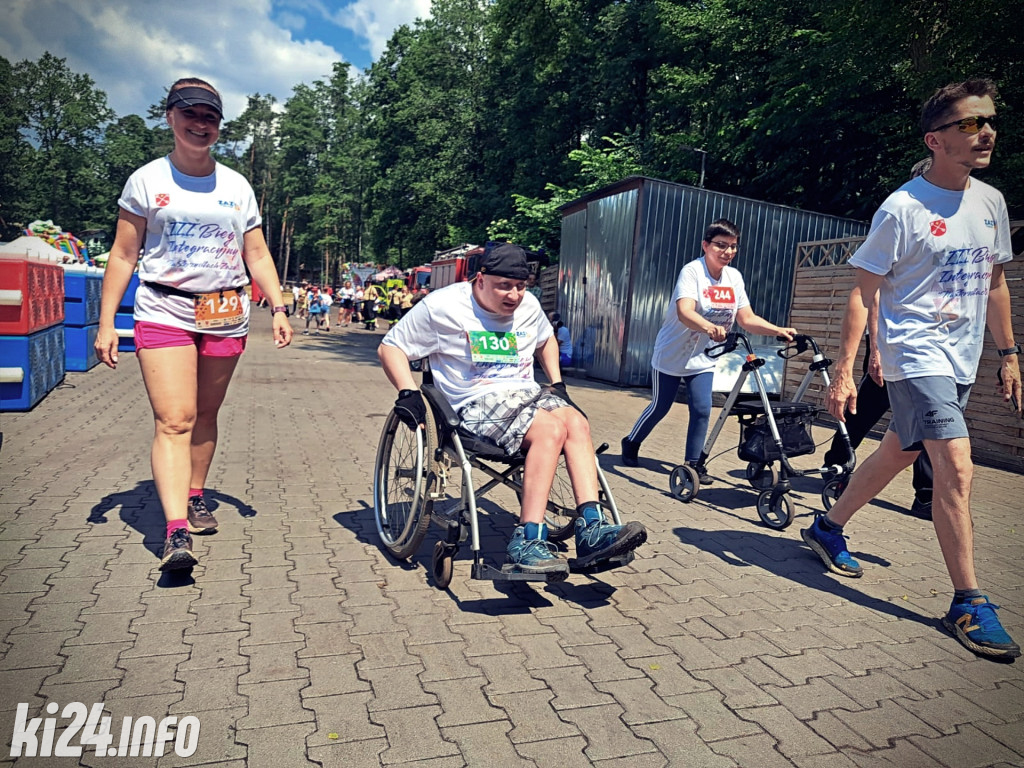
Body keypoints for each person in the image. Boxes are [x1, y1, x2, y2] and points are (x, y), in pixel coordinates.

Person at [802, 78, 1021, 659]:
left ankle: (828, 526)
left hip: (963, 355)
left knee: (898, 451)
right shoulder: (903, 209)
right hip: (914, 351)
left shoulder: (991, 202)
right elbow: (861, 291)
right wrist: (846, 369)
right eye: (970, 124)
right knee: (955, 462)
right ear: (936, 139)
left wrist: (1009, 353)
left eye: (989, 121)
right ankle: (969, 601)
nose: (986, 132)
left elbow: (995, 280)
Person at [94, 77, 293, 572]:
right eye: (191, 115)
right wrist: (105, 323)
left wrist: (281, 305)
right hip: (164, 307)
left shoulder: (236, 187)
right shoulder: (146, 181)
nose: (200, 125)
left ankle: (197, 493)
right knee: (175, 419)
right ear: (171, 117)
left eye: (210, 118)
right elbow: (123, 255)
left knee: (205, 414)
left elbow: (257, 252)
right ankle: (176, 530)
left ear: (219, 127)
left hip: (224, 312)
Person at [378, 244, 648, 576]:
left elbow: (545, 339)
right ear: (480, 280)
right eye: (504, 286)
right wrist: (408, 393)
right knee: (549, 429)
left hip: (525, 394)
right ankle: (527, 539)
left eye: (521, 286)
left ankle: (590, 527)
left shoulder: (529, 304)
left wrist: (557, 383)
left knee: (575, 421)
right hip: (471, 401)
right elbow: (391, 347)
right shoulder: (442, 307)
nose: (514, 295)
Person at [620, 219, 796, 482]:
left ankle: (693, 465)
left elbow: (746, 318)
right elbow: (684, 312)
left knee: (702, 409)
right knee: (660, 406)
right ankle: (631, 441)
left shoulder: (734, 278)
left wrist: (778, 330)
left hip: (705, 355)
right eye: (721, 245)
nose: (727, 252)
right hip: (672, 351)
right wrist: (707, 326)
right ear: (706, 245)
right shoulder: (692, 272)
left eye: (733, 247)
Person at [822, 158, 935, 519]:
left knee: (932, 420)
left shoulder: (942, 229)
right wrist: (876, 350)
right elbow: (872, 292)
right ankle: (836, 461)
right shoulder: (898, 219)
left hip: (926, 346)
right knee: (867, 407)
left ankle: (928, 495)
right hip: (889, 339)